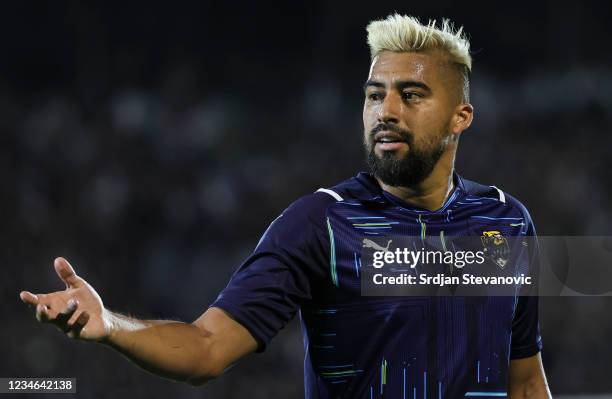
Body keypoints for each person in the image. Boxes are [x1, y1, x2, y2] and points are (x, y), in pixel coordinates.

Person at [20, 14, 551, 398]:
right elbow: (206, 349)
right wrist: (111, 324)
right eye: (373, 95)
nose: (385, 110)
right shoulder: (320, 223)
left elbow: (524, 381)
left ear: (461, 117)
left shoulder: (506, 221)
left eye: (411, 95)